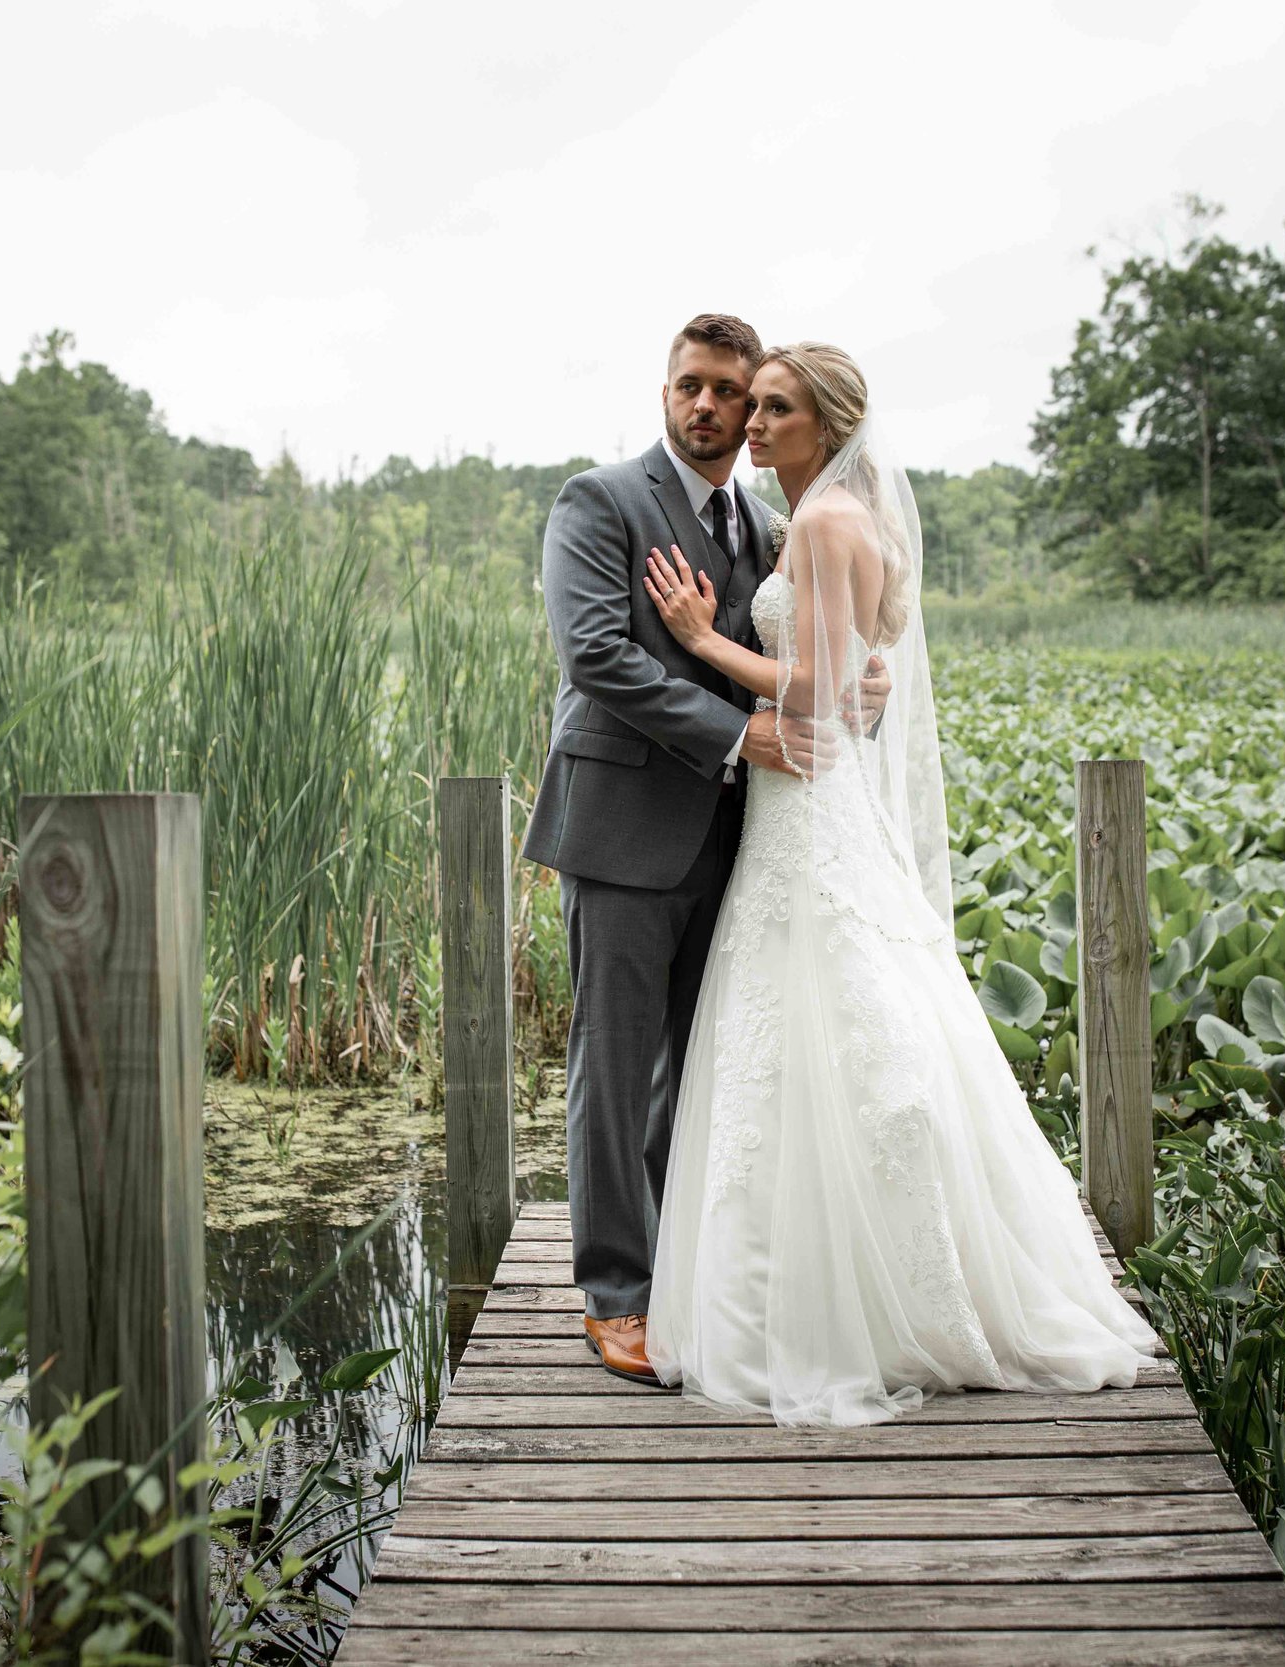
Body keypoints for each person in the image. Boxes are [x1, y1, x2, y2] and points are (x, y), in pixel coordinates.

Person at [637, 341, 1157, 1425]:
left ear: (824, 425)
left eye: (775, 407)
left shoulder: (824, 523)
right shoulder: (814, 521)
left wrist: (699, 639)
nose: (753, 421)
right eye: (753, 404)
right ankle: (818, 1272)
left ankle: (870, 1296)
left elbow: (822, 687)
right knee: (812, 1031)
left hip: (809, 806)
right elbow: (855, 674)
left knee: (845, 1023)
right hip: (804, 809)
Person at [520, 314, 888, 1383]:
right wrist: (741, 732)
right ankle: (617, 1297)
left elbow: (815, 643)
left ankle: (686, 1275)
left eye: (733, 390)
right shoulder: (600, 501)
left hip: (739, 834)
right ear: (667, 389)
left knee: (703, 1069)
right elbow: (595, 656)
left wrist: (859, 679)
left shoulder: (774, 522)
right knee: (613, 1064)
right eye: (691, 384)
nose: (710, 406)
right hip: (624, 827)